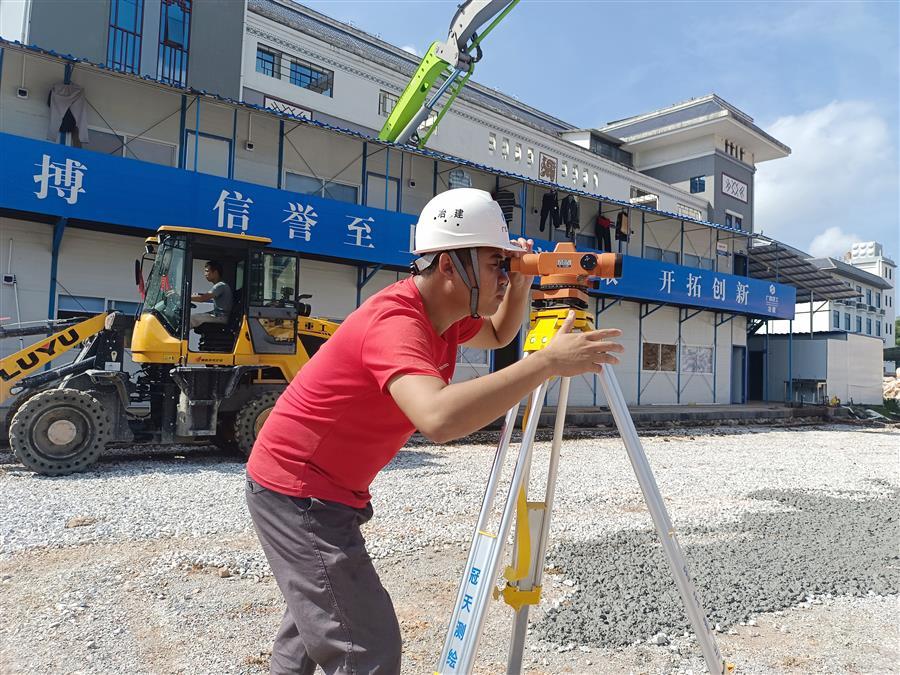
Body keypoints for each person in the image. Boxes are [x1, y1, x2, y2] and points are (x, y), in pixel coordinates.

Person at [245, 188, 624, 674]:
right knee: (365, 646)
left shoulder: (445, 315)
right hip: (297, 491)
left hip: (325, 489)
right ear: (449, 266)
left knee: (310, 627)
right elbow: (439, 419)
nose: (502, 277)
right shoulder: (397, 321)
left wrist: (522, 285)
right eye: (494, 265)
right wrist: (547, 363)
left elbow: (501, 334)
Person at [189, 260, 232, 329]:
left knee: (191, 319)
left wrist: (186, 297)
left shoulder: (220, 286)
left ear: (215, 272)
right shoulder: (220, 286)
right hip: (218, 315)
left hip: (220, 317)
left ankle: (179, 338)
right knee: (195, 317)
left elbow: (203, 298)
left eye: (207, 271)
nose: (205, 274)